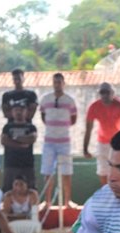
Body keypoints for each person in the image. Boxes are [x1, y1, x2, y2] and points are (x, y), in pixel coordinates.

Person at [39, 73, 78, 211]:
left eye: (59, 82)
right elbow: (43, 117)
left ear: (63, 83)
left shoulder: (69, 100)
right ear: (52, 83)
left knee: (67, 172)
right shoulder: (45, 99)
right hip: (49, 141)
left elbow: (73, 120)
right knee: (48, 172)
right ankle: (47, 202)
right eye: (55, 82)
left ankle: (68, 201)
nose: (57, 84)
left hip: (64, 142)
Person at [83, 82, 120, 186]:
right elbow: (88, 129)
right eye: (102, 92)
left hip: (118, 143)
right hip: (102, 142)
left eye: (107, 92)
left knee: (119, 170)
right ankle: (105, 193)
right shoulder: (94, 106)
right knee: (103, 171)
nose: (105, 95)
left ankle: (118, 195)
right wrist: (85, 149)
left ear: (112, 93)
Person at [0, 103, 37, 190]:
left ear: (26, 112)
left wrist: (13, 139)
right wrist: (21, 143)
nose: (19, 112)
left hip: (27, 165)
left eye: (22, 110)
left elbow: (31, 139)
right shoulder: (7, 127)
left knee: (30, 189)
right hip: (11, 164)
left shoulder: (31, 127)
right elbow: (4, 140)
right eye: (16, 110)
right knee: (8, 189)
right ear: (12, 112)